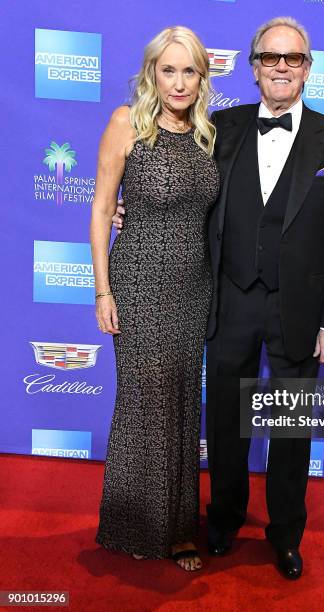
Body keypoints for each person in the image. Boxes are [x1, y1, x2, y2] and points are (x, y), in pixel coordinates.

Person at [114, 16, 324, 580]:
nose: (281, 66)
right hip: (226, 299)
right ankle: (223, 519)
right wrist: (131, 213)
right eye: (270, 57)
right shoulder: (217, 128)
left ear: (307, 68)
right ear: (252, 68)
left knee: (291, 429)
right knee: (226, 421)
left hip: (299, 309)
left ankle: (285, 533)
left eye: (292, 58)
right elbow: (172, 183)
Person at [90, 26, 219, 572]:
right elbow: (101, 209)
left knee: (184, 405)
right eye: (169, 70)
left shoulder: (208, 134)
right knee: (145, 406)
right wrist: (102, 289)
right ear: (151, 73)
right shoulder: (126, 124)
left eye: (189, 70)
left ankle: (181, 529)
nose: (179, 81)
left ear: (202, 77)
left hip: (193, 290)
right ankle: (136, 525)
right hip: (139, 282)